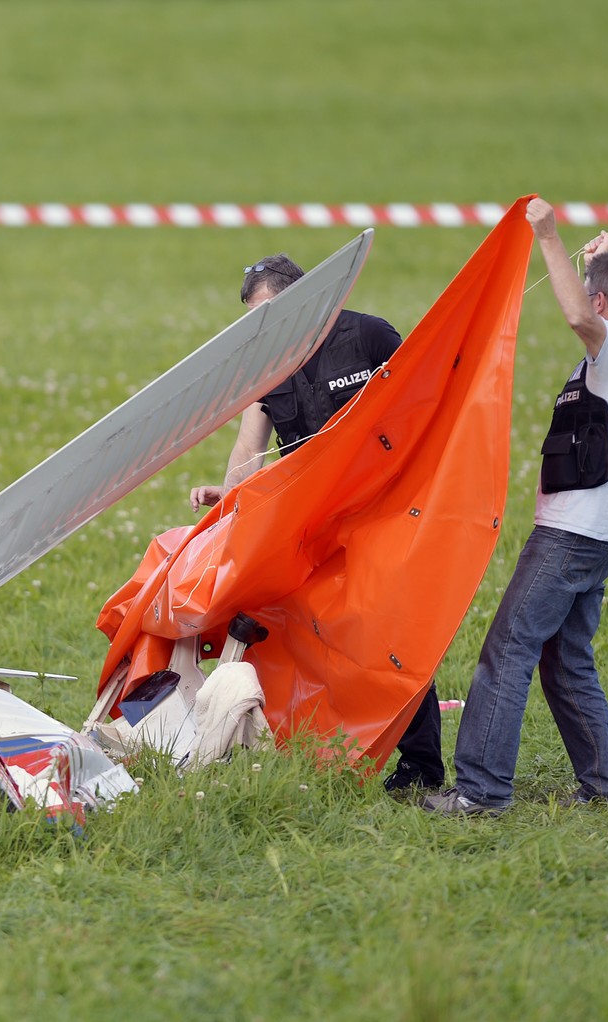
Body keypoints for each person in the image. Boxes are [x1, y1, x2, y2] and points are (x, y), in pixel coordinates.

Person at [188, 254, 445, 794]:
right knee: (298, 625)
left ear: (303, 300)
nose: (259, 327)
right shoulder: (268, 363)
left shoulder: (370, 336)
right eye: (251, 318)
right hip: (312, 523)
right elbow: (248, 445)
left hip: (381, 513)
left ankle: (422, 767)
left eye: (267, 312)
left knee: (384, 633)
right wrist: (229, 499)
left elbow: (426, 402)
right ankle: (293, 746)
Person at [423, 202, 608, 816]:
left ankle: (480, 791)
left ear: (603, 306)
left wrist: (547, 234)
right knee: (565, 660)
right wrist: (598, 261)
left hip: (572, 536)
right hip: (599, 533)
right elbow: (591, 303)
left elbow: (577, 312)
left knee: (509, 649)